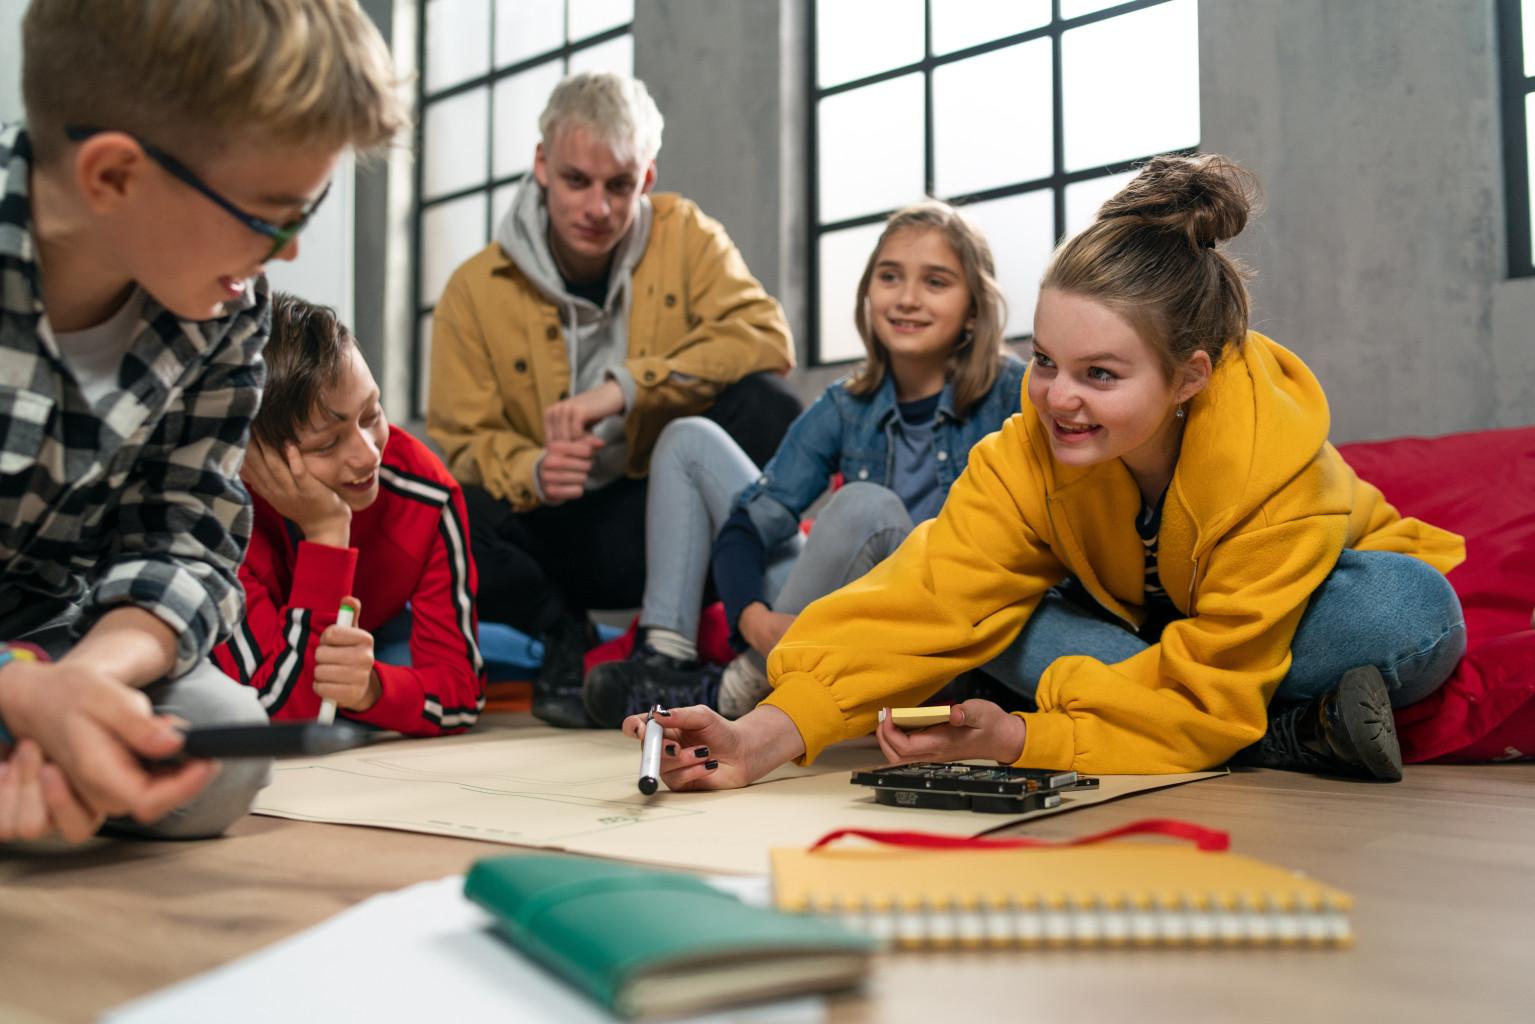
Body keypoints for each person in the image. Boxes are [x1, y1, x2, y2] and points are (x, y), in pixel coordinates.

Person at [622, 155, 1467, 790]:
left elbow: (1212, 684)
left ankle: (1247, 729)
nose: (1059, 399)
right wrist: (762, 735)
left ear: (1189, 377)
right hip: (1139, 638)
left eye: (1101, 375)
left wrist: (1024, 740)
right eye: (1046, 362)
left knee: (1405, 609)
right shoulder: (1029, 448)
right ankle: (1284, 733)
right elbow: (927, 597)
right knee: (999, 619)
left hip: (1277, 621)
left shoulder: (1267, 465)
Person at [0, 0, 405, 844]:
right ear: (113, 177)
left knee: (221, 756)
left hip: (50, 638)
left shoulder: (227, 314)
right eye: (269, 215)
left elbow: (182, 536)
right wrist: (20, 692)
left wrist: (90, 684)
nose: (289, 250)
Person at [429, 72, 800, 729]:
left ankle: (683, 640)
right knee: (446, 509)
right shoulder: (472, 289)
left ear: (647, 178)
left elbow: (765, 338)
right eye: (577, 180)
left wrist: (628, 387)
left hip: (659, 521)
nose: (597, 207)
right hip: (551, 537)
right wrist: (533, 470)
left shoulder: (687, 235)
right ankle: (561, 636)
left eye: (619, 185)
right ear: (542, 166)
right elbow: (461, 443)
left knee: (768, 406)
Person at [584, 200, 1026, 727]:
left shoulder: (1013, 394)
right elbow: (749, 524)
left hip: (939, 625)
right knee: (689, 440)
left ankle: (738, 685)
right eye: (890, 277)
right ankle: (665, 659)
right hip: (837, 615)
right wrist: (754, 618)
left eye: (935, 282)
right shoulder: (847, 403)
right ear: (868, 292)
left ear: (975, 307)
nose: (907, 299)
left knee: (866, 506)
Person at [213, 295, 485, 735]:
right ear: (255, 454)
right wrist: (326, 532)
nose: (367, 455)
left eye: (371, 413)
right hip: (224, 658)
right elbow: (278, 717)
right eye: (326, 444)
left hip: (375, 634)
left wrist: (371, 688)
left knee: (496, 650)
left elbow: (462, 690)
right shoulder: (221, 518)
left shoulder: (424, 488)